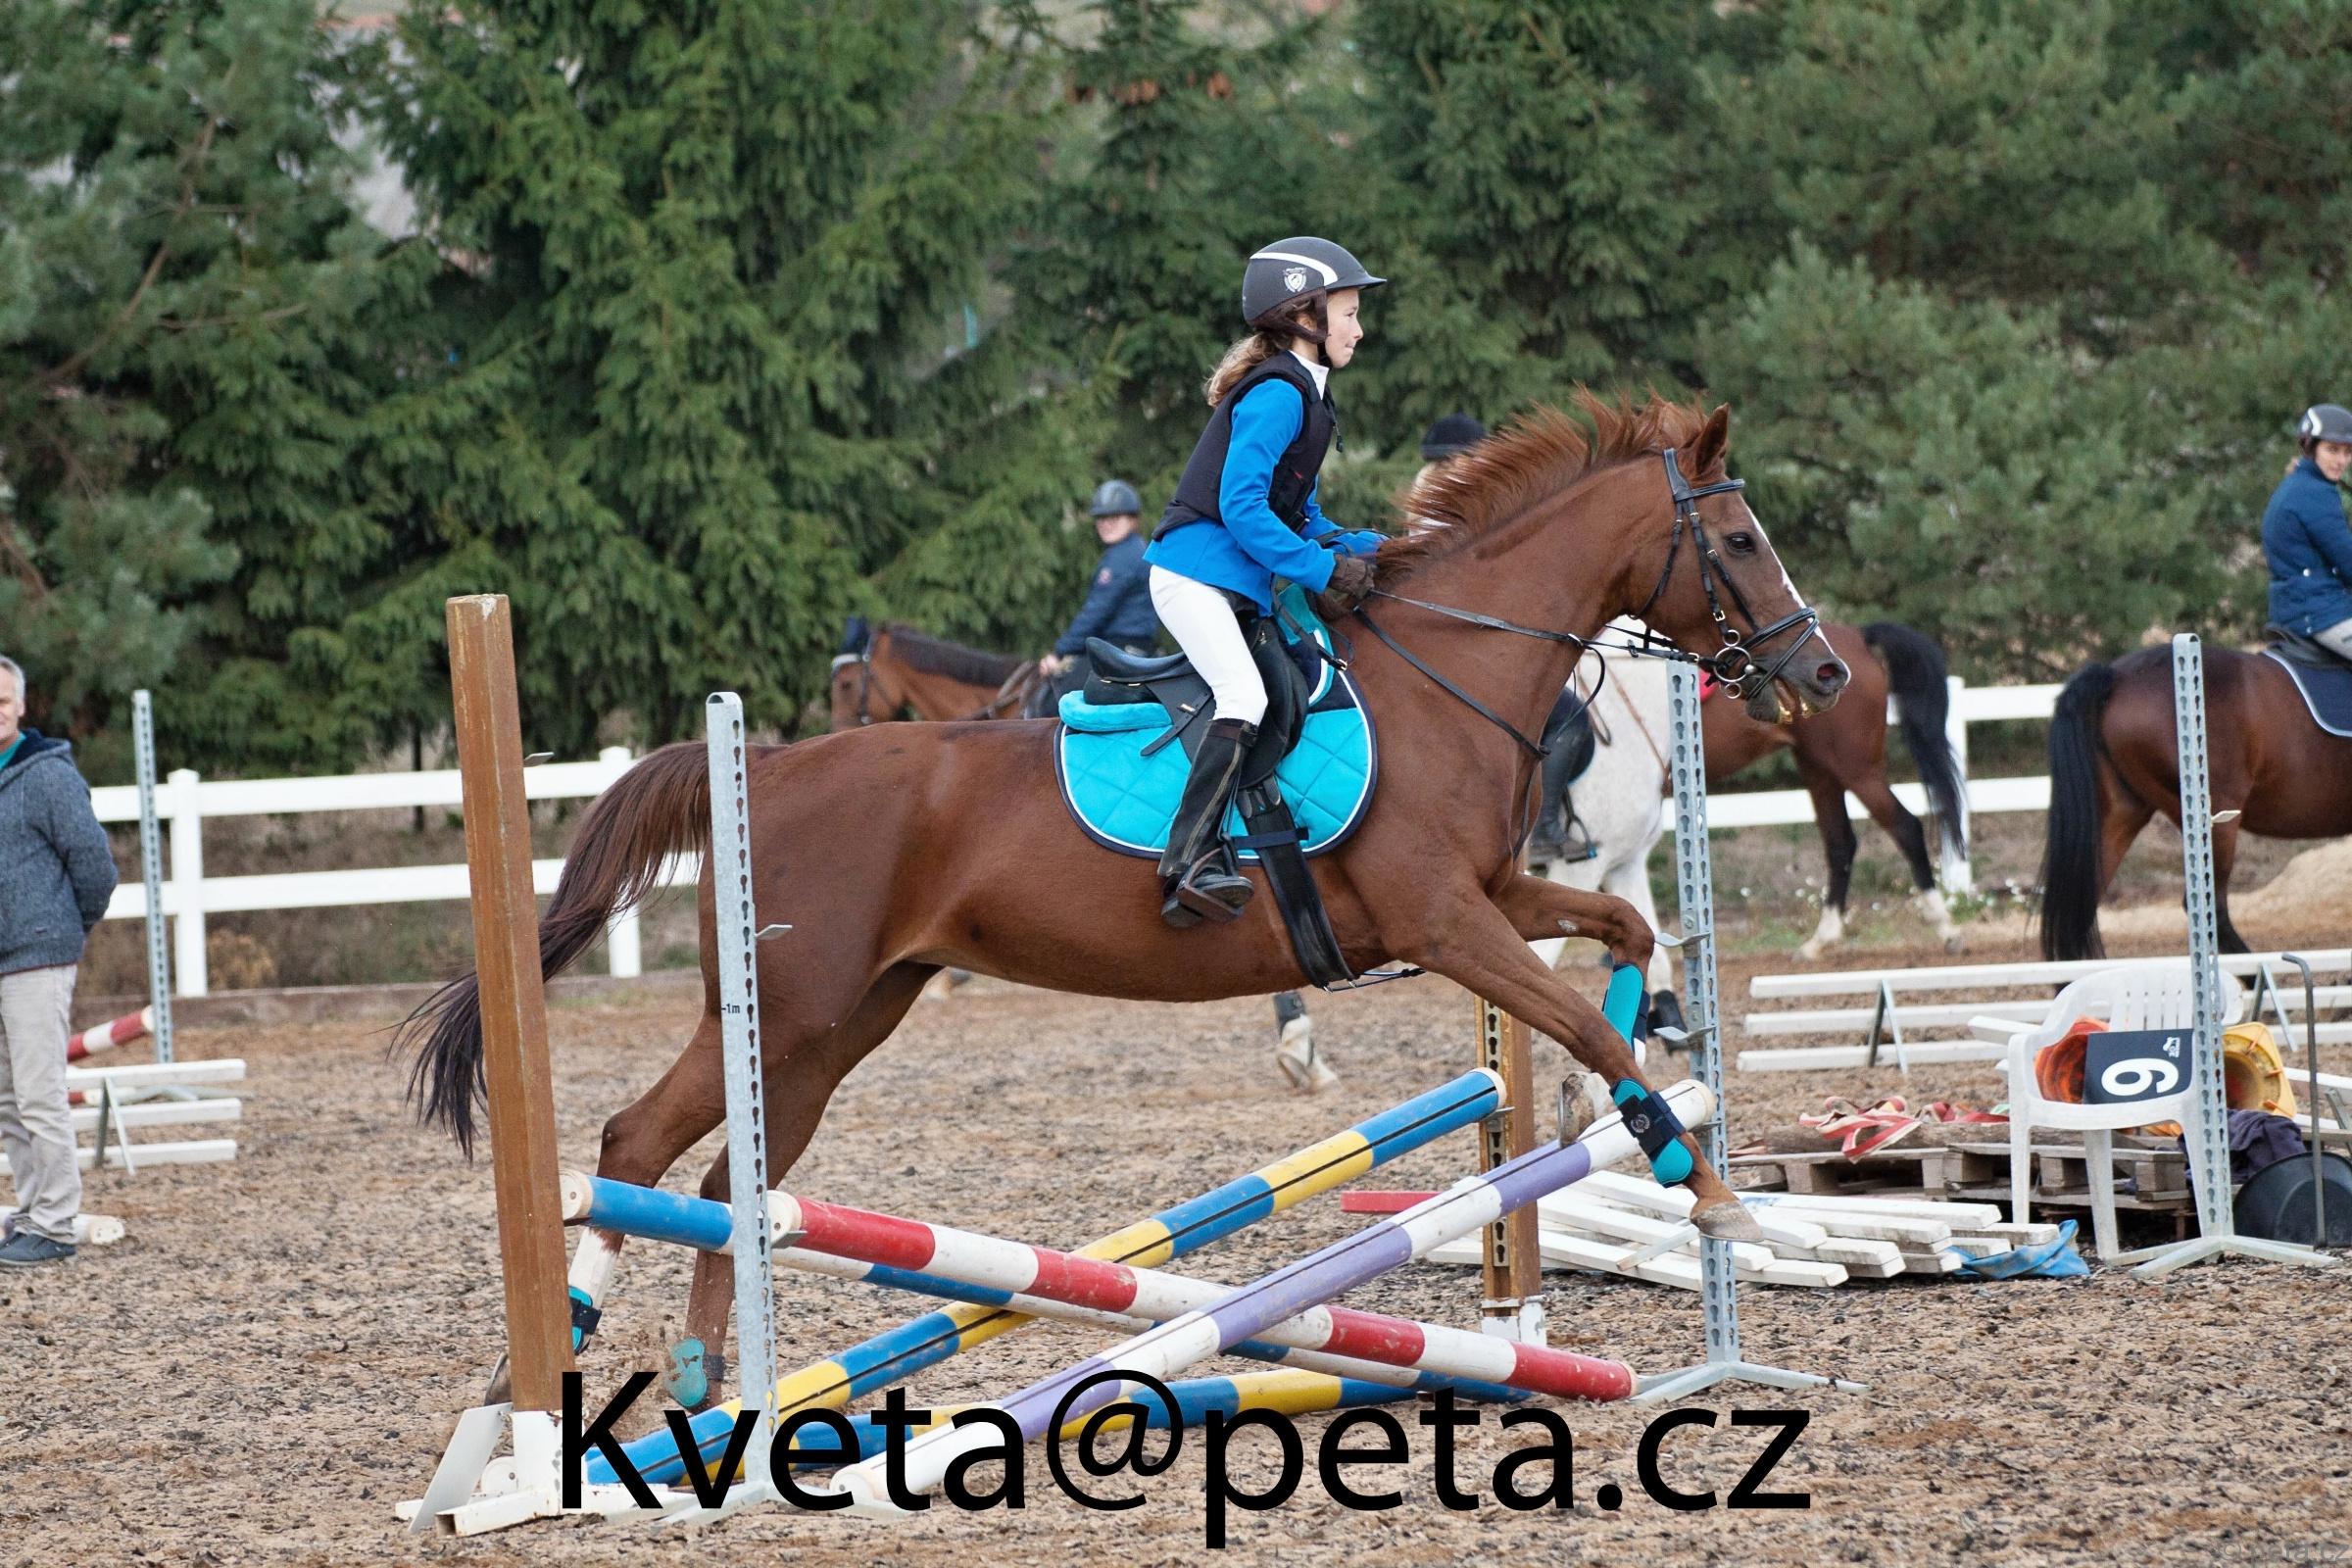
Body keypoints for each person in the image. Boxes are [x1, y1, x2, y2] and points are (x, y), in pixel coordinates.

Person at [1142, 236, 1388, 926]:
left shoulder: (1309, 396)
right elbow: (1243, 508)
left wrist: (1386, 549)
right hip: (1192, 578)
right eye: (1349, 313)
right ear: (1305, 316)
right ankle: (1188, 861)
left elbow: (1301, 516)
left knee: (1290, 691)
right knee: (1245, 695)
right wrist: (1324, 570)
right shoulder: (1280, 393)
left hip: (1235, 588)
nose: (1359, 330)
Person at [0, 654, 119, 1267]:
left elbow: (95, 867)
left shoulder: (47, 776)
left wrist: (63, 931)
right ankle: (32, 1214)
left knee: (40, 1094)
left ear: (21, 706)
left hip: (36, 959)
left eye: (1, 700)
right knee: (7, 1100)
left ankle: (55, 1224)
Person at [1037, 479, 1158, 703]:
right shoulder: (1130, 551)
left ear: (1133, 519)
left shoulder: (1123, 558)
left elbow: (1095, 612)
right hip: (1123, 648)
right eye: (1101, 518)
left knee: (1059, 700)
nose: (1106, 524)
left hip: (1119, 650)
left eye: (1115, 517)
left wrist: (1059, 653)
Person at [2264, 403, 2352, 663]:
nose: (2341, 461)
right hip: (2319, 613)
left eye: (2347, 452)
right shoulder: (2314, 494)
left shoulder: (2298, 485)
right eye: (2332, 450)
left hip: (2302, 607)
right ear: (2311, 448)